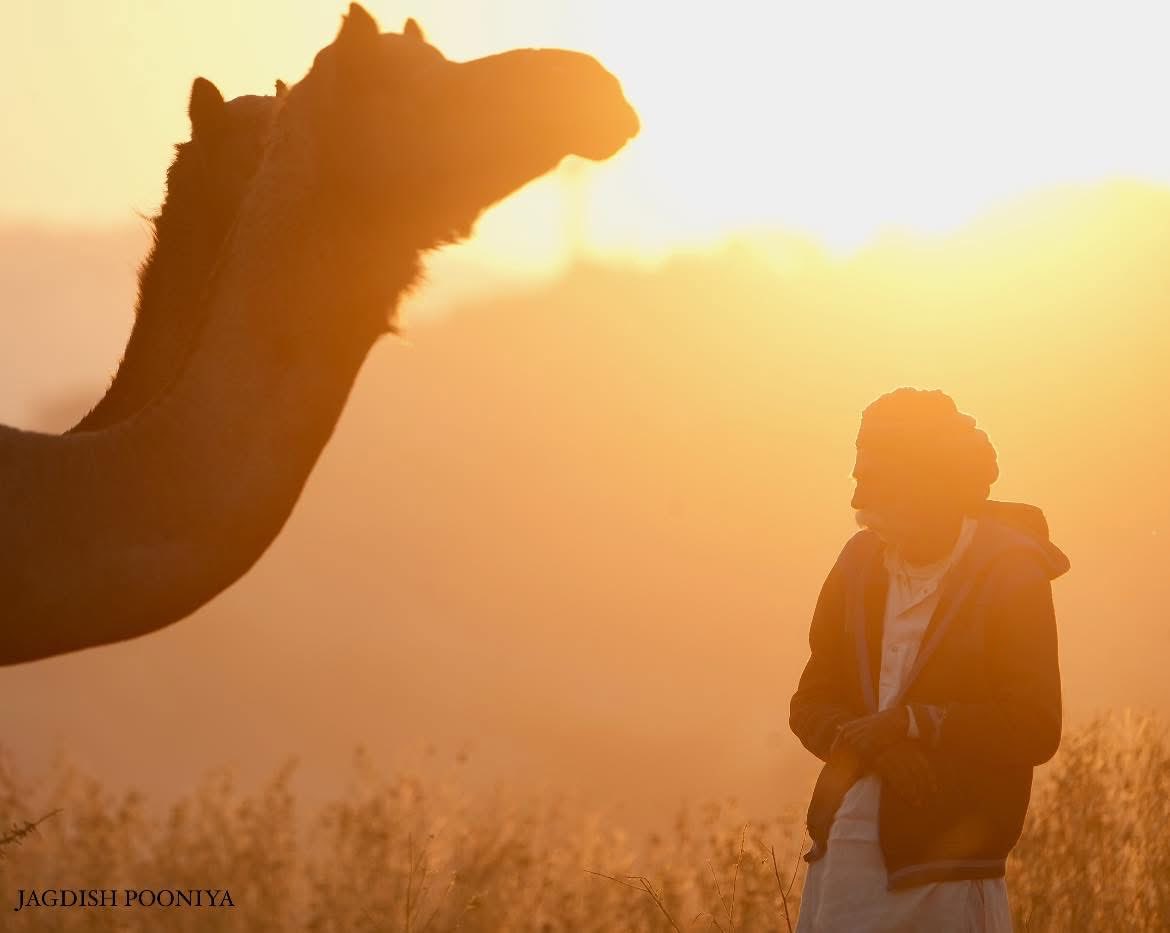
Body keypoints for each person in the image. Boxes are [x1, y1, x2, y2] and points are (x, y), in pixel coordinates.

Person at [790, 387, 1070, 932]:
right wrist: (870, 742)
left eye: (874, 482)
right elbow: (810, 701)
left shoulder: (1011, 573)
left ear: (928, 482)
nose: (856, 503)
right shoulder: (859, 565)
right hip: (840, 866)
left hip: (946, 874)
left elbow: (1035, 726)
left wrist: (913, 725)